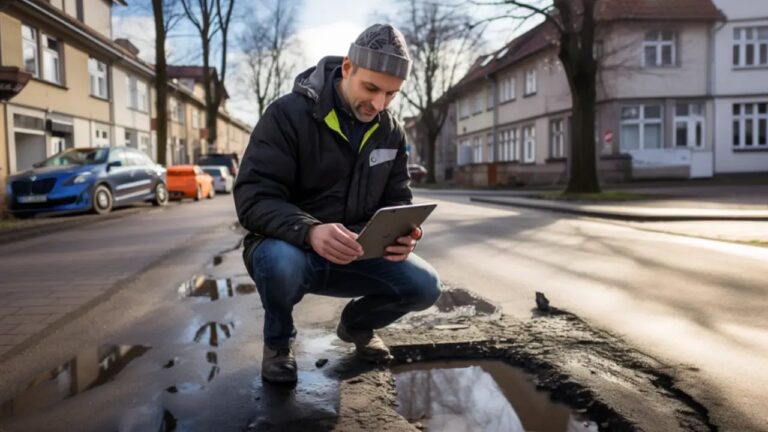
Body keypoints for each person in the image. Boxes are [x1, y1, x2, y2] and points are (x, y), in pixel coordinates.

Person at [234, 23, 442, 384]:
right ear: (347, 68)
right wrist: (310, 231)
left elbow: (397, 200)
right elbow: (254, 198)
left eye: (391, 94)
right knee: (279, 263)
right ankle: (279, 342)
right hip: (291, 247)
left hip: (356, 251)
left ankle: (357, 325)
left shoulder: (391, 130)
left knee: (426, 286)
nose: (378, 104)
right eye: (371, 87)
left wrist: (407, 233)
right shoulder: (286, 115)